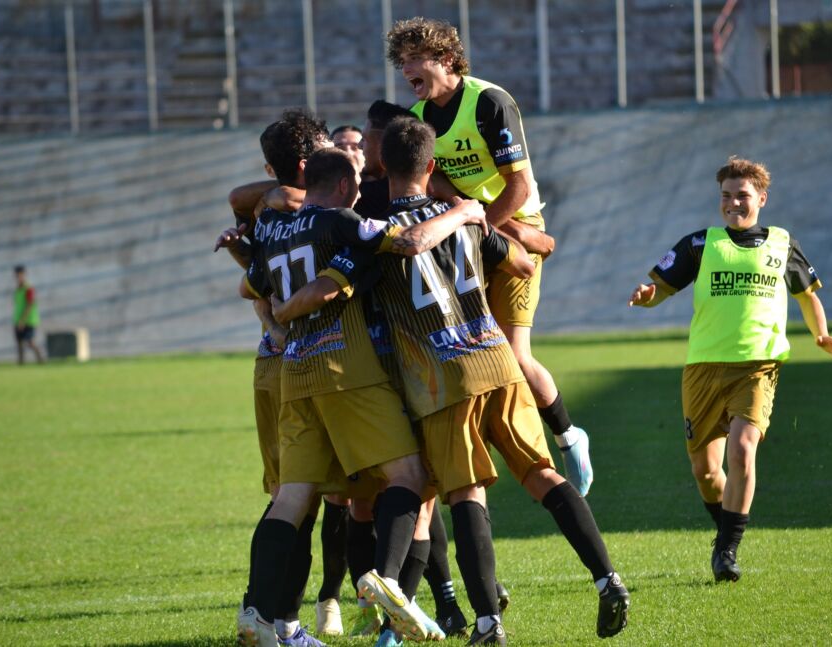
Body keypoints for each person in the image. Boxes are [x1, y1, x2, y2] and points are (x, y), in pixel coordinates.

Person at [281, 119, 631, 645]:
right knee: (541, 475)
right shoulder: (463, 220)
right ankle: (608, 579)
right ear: (432, 167)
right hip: (498, 360)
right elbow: (523, 267)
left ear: (382, 167)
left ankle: (487, 621)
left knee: (466, 495)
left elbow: (347, 288)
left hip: (442, 378)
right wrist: (479, 219)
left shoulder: (379, 233)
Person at [238, 145, 489, 647]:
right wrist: (464, 210)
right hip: (345, 370)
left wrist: (279, 321)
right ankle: (387, 582)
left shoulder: (273, 230)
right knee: (409, 475)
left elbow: (253, 290)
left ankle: (258, 615)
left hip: (294, 373)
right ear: (346, 186)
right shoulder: (341, 222)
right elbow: (411, 241)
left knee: (291, 499)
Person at [385, 17, 593, 498]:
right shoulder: (418, 115)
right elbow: (434, 181)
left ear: (447, 59)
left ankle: (566, 436)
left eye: (417, 57)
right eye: (403, 61)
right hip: (479, 230)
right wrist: (468, 218)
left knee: (514, 355)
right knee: (472, 346)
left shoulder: (489, 102)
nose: (408, 68)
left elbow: (517, 185)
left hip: (505, 227)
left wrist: (496, 227)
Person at [628, 156, 832, 582]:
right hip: (704, 368)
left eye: (742, 196)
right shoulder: (700, 244)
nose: (732, 204)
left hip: (757, 367)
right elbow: (661, 289)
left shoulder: (782, 243)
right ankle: (725, 528)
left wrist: (822, 335)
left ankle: (726, 551)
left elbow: (807, 296)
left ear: (761, 198)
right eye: (726, 196)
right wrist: (647, 295)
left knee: (743, 449)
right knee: (706, 472)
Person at [216, 109, 331, 647]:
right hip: (305, 362)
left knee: (297, 495)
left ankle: (273, 616)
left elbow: (242, 199)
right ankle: (272, 615)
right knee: (298, 495)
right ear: (310, 162)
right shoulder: (317, 209)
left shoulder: (270, 208)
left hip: (278, 362)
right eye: (335, 148)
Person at [13, 265, 44, 365]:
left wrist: (23, 320)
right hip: (17, 320)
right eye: (17, 275)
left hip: (29, 320)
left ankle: (41, 360)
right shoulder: (17, 289)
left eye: (20, 275)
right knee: (19, 343)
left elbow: (30, 304)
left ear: (24, 275)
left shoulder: (29, 288)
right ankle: (21, 364)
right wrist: (18, 320)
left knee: (30, 341)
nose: (18, 277)